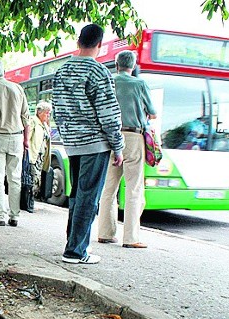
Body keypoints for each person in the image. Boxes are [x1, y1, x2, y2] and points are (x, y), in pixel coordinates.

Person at [52, 23, 124, 264]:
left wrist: (67, 135)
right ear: (99, 44)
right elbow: (109, 113)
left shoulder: (61, 71)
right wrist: (118, 146)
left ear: (78, 41)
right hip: (95, 143)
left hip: (72, 143)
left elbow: (57, 110)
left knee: (77, 195)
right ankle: (75, 251)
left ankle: (73, 243)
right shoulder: (98, 72)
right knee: (88, 197)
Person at [97, 50, 157, 249]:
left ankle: (105, 233)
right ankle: (131, 238)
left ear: (116, 64)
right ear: (133, 65)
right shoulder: (140, 84)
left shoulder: (109, 82)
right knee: (134, 189)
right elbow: (153, 113)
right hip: (133, 137)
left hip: (110, 137)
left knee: (108, 188)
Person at [0, 59, 31, 227]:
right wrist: (26, 140)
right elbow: (26, 117)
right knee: (15, 178)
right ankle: (14, 216)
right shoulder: (17, 88)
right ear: (4, 72)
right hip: (17, 137)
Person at [28, 101, 52, 203]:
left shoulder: (45, 125)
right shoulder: (33, 121)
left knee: (38, 178)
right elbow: (28, 137)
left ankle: (31, 201)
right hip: (34, 155)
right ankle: (29, 202)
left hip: (41, 157)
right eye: (47, 113)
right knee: (33, 178)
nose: (48, 115)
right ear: (39, 112)